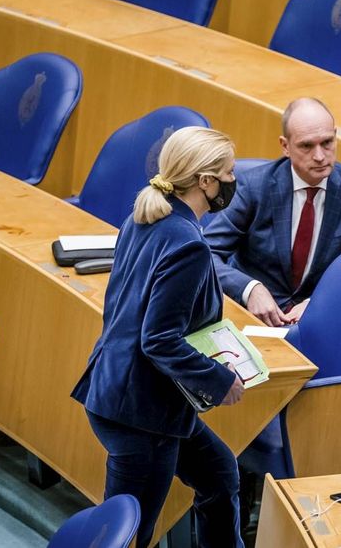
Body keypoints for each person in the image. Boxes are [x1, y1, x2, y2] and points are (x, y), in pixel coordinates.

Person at [71, 127, 246, 547]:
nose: (233, 181)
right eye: (228, 173)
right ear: (205, 181)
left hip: (123, 389)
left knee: (219, 474)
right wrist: (220, 380)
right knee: (131, 534)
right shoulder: (187, 244)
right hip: (141, 413)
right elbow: (160, 339)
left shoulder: (146, 214)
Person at [204, 97, 341, 326]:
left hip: (316, 318)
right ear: (285, 146)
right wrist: (250, 289)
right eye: (306, 145)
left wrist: (318, 301)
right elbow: (206, 253)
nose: (320, 156)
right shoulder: (254, 186)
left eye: (327, 142)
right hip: (252, 316)